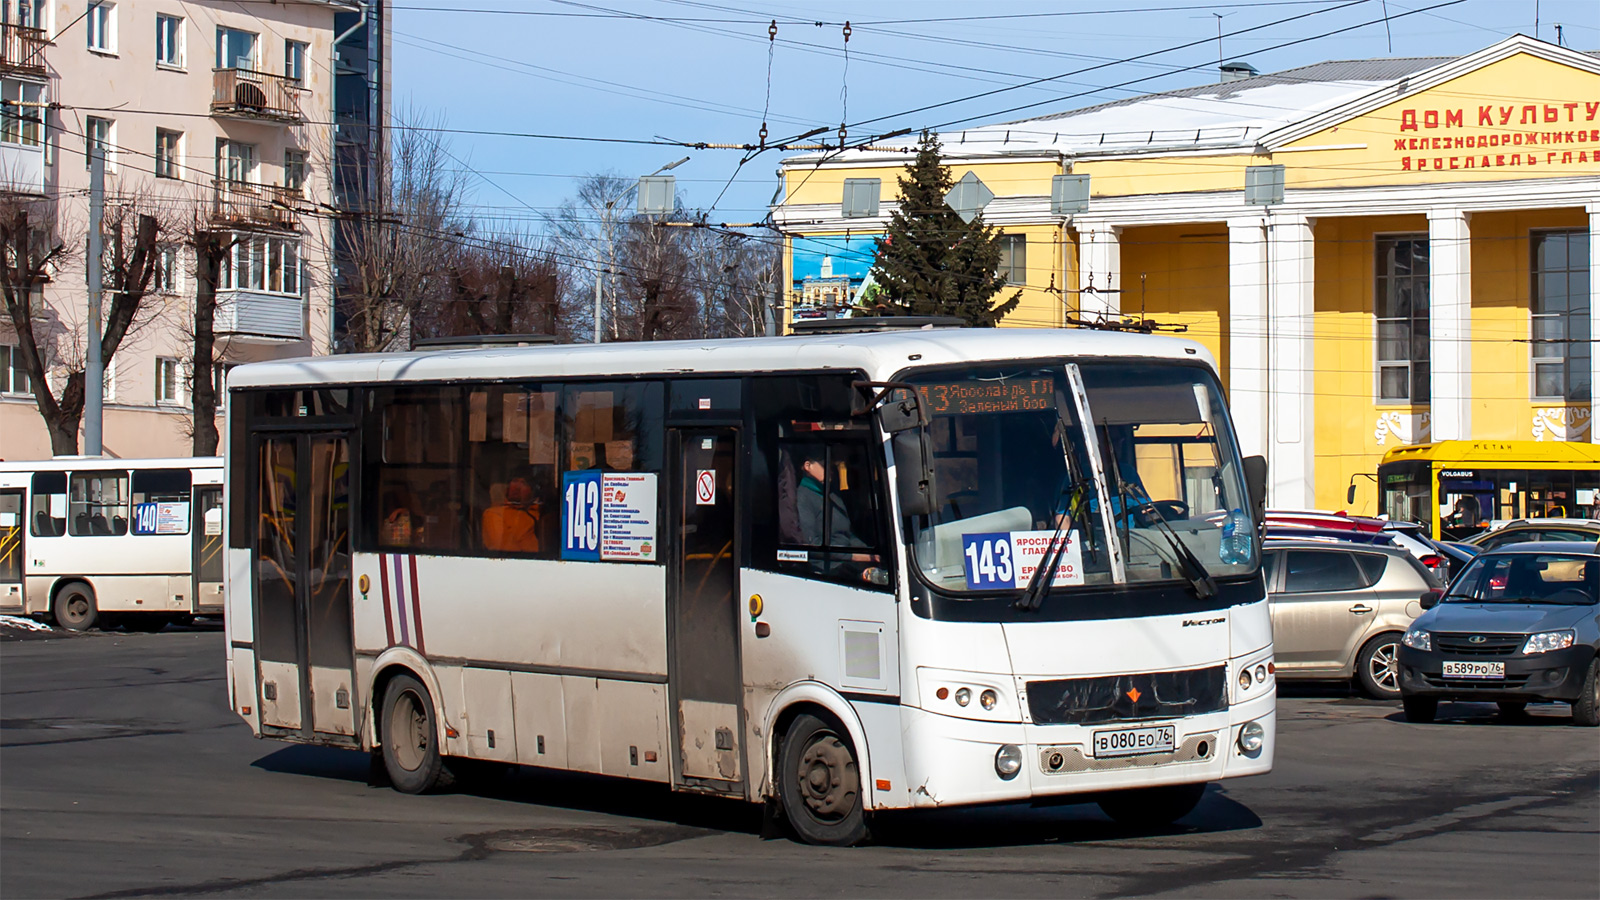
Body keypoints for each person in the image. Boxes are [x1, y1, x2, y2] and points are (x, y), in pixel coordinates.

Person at [482, 467, 542, 553]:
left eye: (524, 483)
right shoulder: (494, 514)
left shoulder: (540, 514)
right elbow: (503, 549)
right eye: (514, 481)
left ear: (532, 492)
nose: (517, 487)